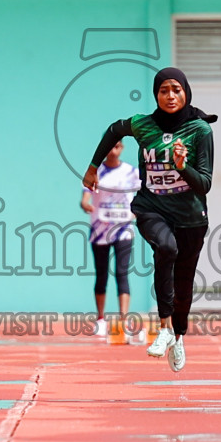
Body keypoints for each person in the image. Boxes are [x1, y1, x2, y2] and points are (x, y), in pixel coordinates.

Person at [85, 68, 216, 372]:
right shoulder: (143, 124)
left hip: (191, 216)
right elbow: (114, 130)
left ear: (186, 93)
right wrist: (93, 166)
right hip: (151, 207)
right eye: (163, 91)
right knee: (166, 248)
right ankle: (164, 328)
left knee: (184, 286)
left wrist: (182, 166)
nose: (170, 96)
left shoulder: (200, 130)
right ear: (156, 94)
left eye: (176, 90)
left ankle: (178, 336)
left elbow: (205, 183)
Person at [82, 139, 140, 339]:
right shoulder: (95, 172)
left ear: (122, 148)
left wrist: (136, 213)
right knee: (101, 274)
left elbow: (143, 197)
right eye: (109, 147)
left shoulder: (131, 172)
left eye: (117, 146)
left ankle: (124, 320)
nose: (113, 151)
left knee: (122, 273)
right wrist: (86, 205)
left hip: (123, 228)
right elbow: (85, 198)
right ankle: (100, 319)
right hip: (100, 229)